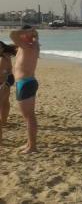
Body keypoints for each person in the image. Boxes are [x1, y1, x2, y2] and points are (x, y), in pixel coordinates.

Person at [10, 26, 40, 154]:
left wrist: (29, 32)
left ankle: (32, 146)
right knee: (27, 116)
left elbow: (12, 34)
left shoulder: (27, 45)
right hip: (26, 83)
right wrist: (33, 34)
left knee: (29, 116)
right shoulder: (32, 44)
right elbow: (14, 37)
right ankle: (29, 143)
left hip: (25, 83)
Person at [0, 41, 17, 145]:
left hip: (4, 80)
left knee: (2, 102)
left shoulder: (3, 58)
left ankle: (3, 122)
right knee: (5, 101)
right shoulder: (6, 54)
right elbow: (13, 45)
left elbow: (1, 74)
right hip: (8, 79)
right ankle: (4, 121)